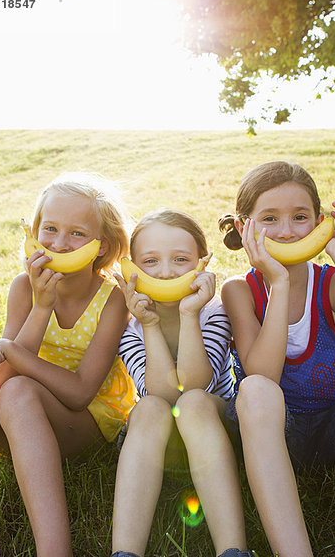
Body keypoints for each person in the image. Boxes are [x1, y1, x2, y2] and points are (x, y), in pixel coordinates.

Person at [0, 172, 137, 557]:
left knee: (19, 391)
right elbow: (6, 376)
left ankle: (54, 550)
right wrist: (41, 306)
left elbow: (80, 393)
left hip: (88, 421)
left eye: (77, 234)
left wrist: (6, 349)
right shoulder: (23, 288)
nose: (60, 243)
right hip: (26, 411)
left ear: (101, 246)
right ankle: (24, 450)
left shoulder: (112, 300)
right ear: (34, 231)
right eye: (50, 228)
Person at [219, 160, 335, 557]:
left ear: (318, 223)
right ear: (243, 225)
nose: (286, 231)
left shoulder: (330, 283)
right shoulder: (239, 291)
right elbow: (263, 373)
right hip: (273, 435)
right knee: (254, 389)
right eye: (270, 218)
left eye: (300, 218)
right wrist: (279, 283)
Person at [111, 208, 255, 557]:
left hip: (213, 435)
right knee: (147, 408)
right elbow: (159, 393)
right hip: (157, 446)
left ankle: (233, 551)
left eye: (180, 259)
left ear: (201, 264)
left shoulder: (212, 312)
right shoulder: (130, 328)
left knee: (191, 403)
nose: (165, 271)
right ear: (132, 268)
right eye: (150, 261)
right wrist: (148, 324)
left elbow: (194, 387)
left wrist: (189, 313)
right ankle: (124, 552)